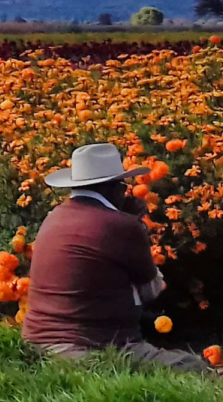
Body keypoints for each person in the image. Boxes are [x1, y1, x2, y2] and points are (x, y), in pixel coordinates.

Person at [22, 143, 204, 371]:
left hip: (37, 341)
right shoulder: (123, 226)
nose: (125, 192)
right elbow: (152, 290)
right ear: (112, 188)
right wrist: (135, 227)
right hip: (88, 349)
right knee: (192, 367)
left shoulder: (54, 216)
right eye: (122, 186)